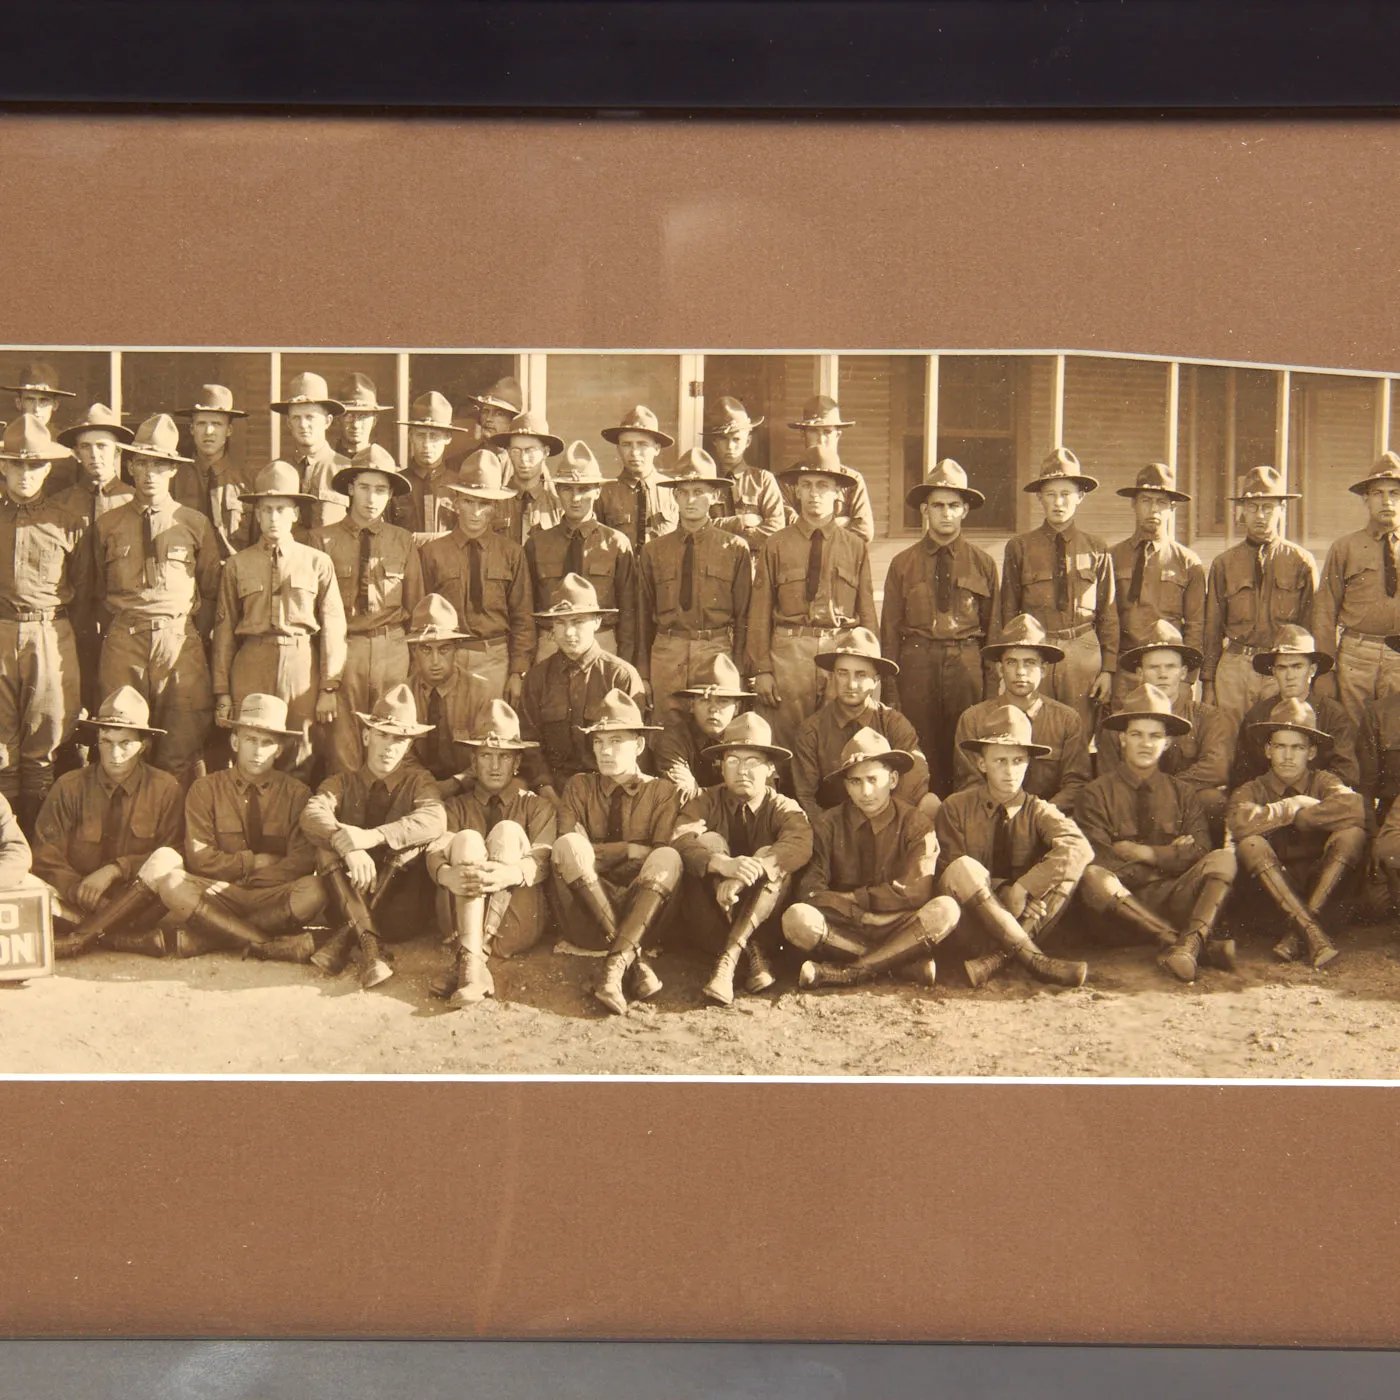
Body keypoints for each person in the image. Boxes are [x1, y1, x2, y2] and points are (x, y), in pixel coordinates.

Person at [1076, 685, 1238, 983]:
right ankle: (1181, 942)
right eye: (1137, 734)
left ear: (1167, 743)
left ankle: (1187, 944)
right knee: (1093, 876)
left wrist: (1145, 853)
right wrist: (1173, 856)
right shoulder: (1095, 794)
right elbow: (1104, 860)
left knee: (1223, 858)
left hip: (1172, 899)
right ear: (1122, 738)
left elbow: (1201, 851)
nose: (1145, 743)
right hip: (1119, 913)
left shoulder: (1183, 793)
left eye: (1155, 736)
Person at [94, 414, 221, 789]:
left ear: (172, 470)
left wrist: (189, 635)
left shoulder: (194, 523)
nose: (150, 473)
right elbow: (93, 591)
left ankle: (174, 842)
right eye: (143, 463)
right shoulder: (107, 524)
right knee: (123, 736)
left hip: (179, 641)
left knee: (181, 741)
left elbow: (211, 589)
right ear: (130, 466)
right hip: (125, 640)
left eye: (160, 464)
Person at [783, 729, 958, 990]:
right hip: (846, 925)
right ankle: (898, 963)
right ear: (845, 785)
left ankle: (852, 970)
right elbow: (810, 890)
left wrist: (856, 899)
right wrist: (862, 916)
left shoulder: (916, 824)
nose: (866, 791)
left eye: (873, 779)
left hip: (898, 924)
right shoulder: (827, 825)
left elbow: (916, 891)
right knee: (796, 918)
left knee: (946, 909)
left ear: (893, 779)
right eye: (855, 782)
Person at [933, 704, 1093, 989]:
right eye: (1000, 761)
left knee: (1068, 869)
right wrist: (1005, 889)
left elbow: (1080, 847)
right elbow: (950, 872)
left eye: (1018, 761)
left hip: (1024, 922)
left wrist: (1024, 888)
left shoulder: (1038, 809)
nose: (1010, 771)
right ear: (982, 764)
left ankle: (999, 959)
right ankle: (1035, 961)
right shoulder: (955, 807)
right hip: (969, 927)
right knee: (965, 868)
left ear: (1029, 763)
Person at [301, 685, 447, 990]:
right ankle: (369, 946)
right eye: (383, 735)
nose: (390, 747)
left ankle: (352, 937)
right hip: (346, 899)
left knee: (412, 845)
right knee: (327, 846)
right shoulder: (342, 781)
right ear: (367, 737)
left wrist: (371, 838)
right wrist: (348, 846)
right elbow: (312, 814)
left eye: (400, 739)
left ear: (408, 747)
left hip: (399, 912)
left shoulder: (419, 781)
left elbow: (435, 818)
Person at [163, 691, 326, 961]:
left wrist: (255, 880)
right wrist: (253, 863)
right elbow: (199, 857)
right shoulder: (205, 789)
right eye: (250, 739)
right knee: (171, 883)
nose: (258, 751)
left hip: (270, 894)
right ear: (235, 742)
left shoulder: (297, 794)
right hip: (221, 892)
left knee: (316, 890)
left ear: (279, 750)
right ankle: (262, 941)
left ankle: (210, 937)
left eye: (267, 742)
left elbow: (301, 859)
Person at [211, 461, 348, 779]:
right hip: (251, 660)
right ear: (256, 513)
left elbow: (333, 625)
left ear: (295, 514)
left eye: (281, 509)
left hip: (300, 662)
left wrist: (329, 686)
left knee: (300, 745)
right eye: (266, 509)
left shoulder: (317, 562)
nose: (273, 517)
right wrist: (222, 692)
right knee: (251, 744)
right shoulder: (236, 564)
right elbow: (223, 629)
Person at [550, 688, 682, 1015]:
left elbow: (659, 854)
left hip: (644, 914)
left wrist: (606, 851)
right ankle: (628, 961)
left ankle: (613, 966)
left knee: (669, 858)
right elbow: (570, 846)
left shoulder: (662, 791)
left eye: (615, 741)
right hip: (588, 915)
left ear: (638, 746)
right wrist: (632, 849)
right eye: (598, 742)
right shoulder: (579, 787)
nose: (604, 752)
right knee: (569, 845)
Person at [33, 686, 183, 959]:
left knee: (168, 860)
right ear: (97, 741)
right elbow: (46, 855)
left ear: (144, 745)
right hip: (76, 902)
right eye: (107, 741)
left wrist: (116, 869)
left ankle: (81, 939)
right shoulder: (69, 786)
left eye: (125, 743)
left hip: (139, 905)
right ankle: (124, 939)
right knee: (30, 888)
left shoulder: (165, 788)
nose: (115, 753)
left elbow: (174, 850)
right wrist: (78, 890)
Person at [672, 712, 812, 1005]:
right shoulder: (706, 801)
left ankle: (730, 959)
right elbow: (681, 838)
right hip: (711, 922)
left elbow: (800, 843)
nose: (742, 771)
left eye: (752, 762)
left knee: (770, 859)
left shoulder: (783, 806)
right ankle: (750, 953)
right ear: (721, 768)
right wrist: (722, 865)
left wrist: (748, 872)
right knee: (709, 842)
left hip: (766, 922)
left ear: (770, 769)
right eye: (733, 761)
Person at [425, 699, 557, 1004]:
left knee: (508, 832)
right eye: (486, 756)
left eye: (504, 757)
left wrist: (512, 872)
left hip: (515, 922)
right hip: (455, 924)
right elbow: (434, 850)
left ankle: (469, 960)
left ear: (517, 762)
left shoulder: (536, 806)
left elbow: (545, 855)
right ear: (473, 762)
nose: (495, 766)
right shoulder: (455, 806)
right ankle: (475, 962)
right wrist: (446, 874)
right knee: (468, 839)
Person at [747, 442, 877, 748]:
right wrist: (763, 669)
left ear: (838, 493)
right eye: (806, 485)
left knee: (839, 741)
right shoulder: (776, 545)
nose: (814, 493)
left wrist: (871, 665)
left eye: (823, 485)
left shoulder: (855, 546)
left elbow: (867, 610)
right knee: (785, 741)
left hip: (839, 654)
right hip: (789, 654)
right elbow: (760, 611)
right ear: (797, 492)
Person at [881, 458, 999, 796]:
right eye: (937, 505)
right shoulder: (903, 564)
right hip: (917, 665)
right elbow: (889, 631)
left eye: (953, 505)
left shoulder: (984, 563)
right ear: (924, 510)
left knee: (966, 750)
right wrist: (891, 693)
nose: (945, 513)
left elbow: (993, 633)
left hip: (966, 665)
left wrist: (990, 694)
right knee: (920, 750)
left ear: (965, 510)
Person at [1226, 698, 1367, 969]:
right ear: (1268, 750)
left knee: (1352, 834)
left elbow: (1356, 808)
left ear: (1311, 752)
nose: (1288, 756)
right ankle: (1311, 934)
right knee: (1251, 844)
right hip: (1272, 909)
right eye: (1280, 746)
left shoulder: (1324, 782)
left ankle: (1301, 932)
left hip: (1323, 898)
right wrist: (1291, 806)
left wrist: (1304, 815)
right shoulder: (1252, 789)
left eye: (1297, 747)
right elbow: (1239, 822)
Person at [0, 415, 91, 832]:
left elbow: (86, 591)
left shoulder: (68, 522)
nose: (24, 474)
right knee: (2, 748)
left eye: (34, 465)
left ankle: (38, 847)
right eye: (16, 464)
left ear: (48, 468)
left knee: (44, 746)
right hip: (0, 632)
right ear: (3, 466)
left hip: (50, 634)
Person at [308, 454, 424, 774]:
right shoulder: (322, 539)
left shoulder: (402, 541)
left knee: (391, 735)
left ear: (389, 496)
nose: (372, 498)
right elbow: (317, 614)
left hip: (392, 648)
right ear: (350, 489)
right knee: (344, 743)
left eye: (381, 490)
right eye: (364, 488)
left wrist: (411, 660)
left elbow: (415, 607)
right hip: (346, 649)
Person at [1000, 447, 1118, 733]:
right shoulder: (1020, 547)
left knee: (1077, 730)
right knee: (1031, 728)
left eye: (1066, 493)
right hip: (1036, 650)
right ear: (1040, 497)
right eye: (1051, 494)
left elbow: (1108, 613)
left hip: (1083, 649)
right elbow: (1007, 610)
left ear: (1080, 497)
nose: (1058, 502)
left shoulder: (1096, 549)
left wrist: (1108, 669)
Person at [639, 446, 751, 727]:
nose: (691, 500)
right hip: (667, 650)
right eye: (684, 492)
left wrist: (736, 667)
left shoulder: (734, 548)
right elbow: (641, 617)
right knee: (665, 728)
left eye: (699, 492)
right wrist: (643, 672)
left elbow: (745, 616)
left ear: (714, 496)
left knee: (712, 731)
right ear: (674, 495)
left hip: (715, 649)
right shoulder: (654, 551)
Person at [1202, 466, 1318, 728]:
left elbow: (1311, 625)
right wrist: (1207, 682)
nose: (1261, 515)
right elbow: (1212, 627)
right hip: (1235, 666)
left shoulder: (1300, 561)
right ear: (1242, 510)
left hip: (1280, 666)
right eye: (1253, 507)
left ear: (1282, 510)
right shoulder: (1223, 563)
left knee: (1277, 737)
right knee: (1228, 740)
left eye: (1268, 507)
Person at [1096, 620, 1237, 830]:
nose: (1163, 674)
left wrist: (1165, 789)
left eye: (1170, 667)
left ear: (1182, 673)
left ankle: (1203, 854)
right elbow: (1107, 777)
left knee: (1213, 799)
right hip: (1134, 803)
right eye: (1154, 667)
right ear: (1140, 674)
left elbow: (1217, 768)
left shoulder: (1206, 716)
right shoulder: (1117, 724)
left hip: (1185, 801)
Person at [518, 574, 645, 800]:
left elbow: (635, 748)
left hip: (608, 790)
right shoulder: (537, 678)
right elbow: (529, 743)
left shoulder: (620, 675)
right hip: (552, 791)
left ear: (597, 622)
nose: (568, 633)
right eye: (560, 623)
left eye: (577, 622)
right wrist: (544, 788)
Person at [422, 448, 534, 705]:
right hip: (447, 659)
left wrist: (517, 671)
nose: (475, 512)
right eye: (468, 501)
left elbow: (522, 617)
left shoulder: (511, 553)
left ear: (495, 507)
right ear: (456, 501)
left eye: (484, 503)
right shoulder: (432, 553)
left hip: (494, 658)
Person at [790, 626, 932, 823]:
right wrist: (831, 833)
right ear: (832, 677)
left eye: (861, 674)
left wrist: (882, 822)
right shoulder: (811, 730)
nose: (851, 684)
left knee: (931, 804)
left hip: (889, 823)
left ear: (876, 681)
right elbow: (805, 797)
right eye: (842, 673)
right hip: (835, 828)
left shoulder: (893, 722)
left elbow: (915, 778)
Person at [952, 614, 1091, 814]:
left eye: (1029, 663)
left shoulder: (1067, 721)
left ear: (1043, 669)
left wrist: (1036, 817)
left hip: (1046, 821)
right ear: (1000, 669)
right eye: (1011, 663)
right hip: (989, 819)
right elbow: (969, 783)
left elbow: (1076, 785)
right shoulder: (973, 719)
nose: (1020, 672)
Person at [52, 404, 135, 721]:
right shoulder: (59, 504)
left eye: (102, 446)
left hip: (121, 628)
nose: (94, 455)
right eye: (85, 447)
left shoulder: (133, 502)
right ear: (75, 452)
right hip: (72, 623)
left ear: (117, 450)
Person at [526, 440, 636, 664]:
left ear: (597, 491)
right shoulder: (537, 544)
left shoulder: (616, 544)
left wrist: (624, 660)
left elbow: (629, 611)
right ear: (557, 491)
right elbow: (526, 609)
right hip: (551, 642)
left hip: (602, 640)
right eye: (567, 489)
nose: (575, 498)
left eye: (584, 489)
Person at [1311, 452, 1400, 725]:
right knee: (1354, 733)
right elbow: (1324, 612)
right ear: (1366, 499)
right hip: (1356, 655)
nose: (1386, 501)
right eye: (1377, 493)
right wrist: (1325, 670)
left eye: (1395, 493)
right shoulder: (1345, 548)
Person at [1109, 462, 1207, 702]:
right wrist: (1107, 670)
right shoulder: (1112, 557)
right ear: (1134, 504)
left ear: (1172, 508)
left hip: (1168, 672)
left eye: (1161, 503)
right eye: (1146, 500)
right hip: (1125, 668)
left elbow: (1195, 625)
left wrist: (1188, 679)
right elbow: (1105, 621)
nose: (1153, 509)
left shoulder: (1187, 562)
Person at [1231, 626, 1357, 790]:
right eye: (1282, 668)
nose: (1289, 676)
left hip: (1318, 800)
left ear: (1311, 670)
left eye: (1297, 667)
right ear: (1274, 672)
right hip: (1270, 802)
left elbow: (1345, 773)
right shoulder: (1257, 715)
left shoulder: (1333, 715)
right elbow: (1244, 774)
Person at [405, 594, 491, 782]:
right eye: (426, 650)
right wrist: (428, 787)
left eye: (443, 649)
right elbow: (402, 758)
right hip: (417, 788)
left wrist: (455, 784)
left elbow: (489, 758)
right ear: (414, 651)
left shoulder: (480, 693)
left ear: (456, 649)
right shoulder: (403, 695)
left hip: (469, 789)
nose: (435, 661)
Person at [653, 653, 756, 804]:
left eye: (723, 701)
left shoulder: (749, 734)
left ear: (737, 708)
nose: (713, 709)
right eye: (705, 700)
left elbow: (760, 794)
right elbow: (684, 794)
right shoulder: (673, 737)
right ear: (692, 705)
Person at [171, 384, 255, 556]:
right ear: (192, 429)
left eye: (217, 424)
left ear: (229, 430)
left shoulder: (247, 481)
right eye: (202, 423)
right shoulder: (173, 478)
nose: (209, 431)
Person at [784, 394, 875, 540]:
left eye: (827, 432)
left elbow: (864, 532)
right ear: (803, 434)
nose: (821, 439)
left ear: (838, 435)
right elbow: (785, 528)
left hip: (840, 559)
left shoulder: (853, 479)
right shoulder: (788, 479)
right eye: (814, 431)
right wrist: (841, 523)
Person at [702, 395, 786, 548]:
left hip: (752, 566)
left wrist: (731, 540)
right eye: (723, 439)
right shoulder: (705, 482)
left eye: (736, 439)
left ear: (747, 441)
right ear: (714, 441)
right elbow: (697, 528)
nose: (730, 446)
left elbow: (776, 530)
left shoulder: (763, 480)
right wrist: (740, 522)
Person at [271, 371, 349, 530]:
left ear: (327, 421)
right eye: (296, 418)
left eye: (310, 417)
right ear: (288, 424)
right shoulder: (276, 472)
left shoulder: (346, 470)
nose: (303, 425)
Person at [597, 404, 679, 546]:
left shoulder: (674, 490)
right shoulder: (603, 494)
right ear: (618, 449)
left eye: (642, 444)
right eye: (627, 445)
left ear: (657, 449)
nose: (634, 452)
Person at [395, 390, 472, 535]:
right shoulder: (397, 485)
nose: (427, 444)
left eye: (434, 436)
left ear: (448, 437)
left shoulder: (460, 486)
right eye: (421, 435)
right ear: (410, 435)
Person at [488, 410, 565, 545]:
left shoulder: (559, 503)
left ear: (546, 452)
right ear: (508, 452)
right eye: (516, 451)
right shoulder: (495, 502)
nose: (523, 459)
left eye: (530, 450)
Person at [5, 361, 78, 495]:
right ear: (18, 403)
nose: (37, 408)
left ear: (55, 405)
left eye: (43, 401)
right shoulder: (6, 441)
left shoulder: (66, 444)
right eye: (30, 400)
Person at [335, 372, 391, 459]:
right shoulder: (324, 466)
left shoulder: (384, 466)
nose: (356, 425)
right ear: (338, 419)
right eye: (349, 416)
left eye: (363, 416)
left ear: (374, 420)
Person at [467, 376, 525, 445]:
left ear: (512, 421)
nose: (488, 419)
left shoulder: (518, 455)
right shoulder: (471, 456)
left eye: (499, 414)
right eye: (485, 411)